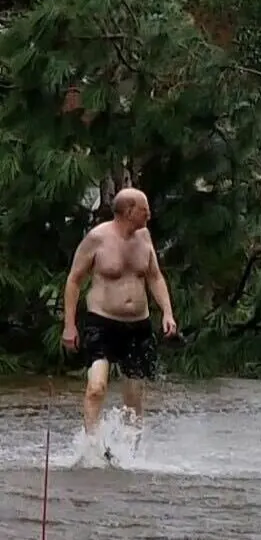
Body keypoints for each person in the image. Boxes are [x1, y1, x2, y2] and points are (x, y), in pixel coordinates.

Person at [62, 187, 177, 444]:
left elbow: (155, 277)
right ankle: (92, 447)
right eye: (145, 210)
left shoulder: (144, 237)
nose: (149, 214)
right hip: (102, 322)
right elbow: (74, 281)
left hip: (137, 325)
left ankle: (130, 453)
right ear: (129, 211)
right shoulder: (97, 238)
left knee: (134, 397)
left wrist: (167, 313)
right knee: (96, 388)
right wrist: (69, 325)